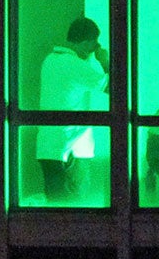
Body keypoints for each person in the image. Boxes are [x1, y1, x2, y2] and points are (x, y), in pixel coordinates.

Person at [35, 17, 110, 201]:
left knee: (56, 205)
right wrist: (105, 60)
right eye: (93, 43)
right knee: (75, 205)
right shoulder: (72, 64)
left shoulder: (51, 60)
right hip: (71, 146)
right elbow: (112, 87)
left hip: (49, 145)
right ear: (85, 43)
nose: (95, 47)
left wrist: (91, 57)